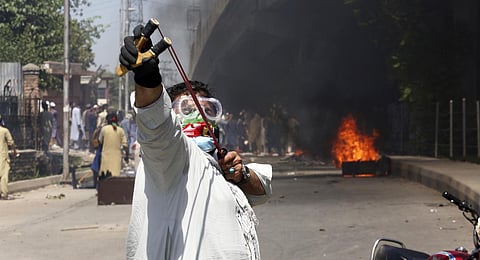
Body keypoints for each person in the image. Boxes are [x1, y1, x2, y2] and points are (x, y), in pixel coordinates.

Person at [119, 25, 272, 259]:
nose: (198, 116)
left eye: (206, 109)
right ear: (173, 115)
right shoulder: (172, 159)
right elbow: (157, 128)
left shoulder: (216, 165)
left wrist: (239, 175)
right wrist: (147, 79)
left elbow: (262, 191)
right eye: (187, 109)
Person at [98, 112, 128, 177]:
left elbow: (100, 141)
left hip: (105, 157)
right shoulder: (120, 130)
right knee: (115, 176)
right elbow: (125, 145)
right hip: (117, 158)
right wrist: (127, 156)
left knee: (105, 176)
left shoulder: (104, 129)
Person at [0, 115, 18, 200]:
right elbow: (11, 143)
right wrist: (14, 152)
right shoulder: (4, 131)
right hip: (2, 155)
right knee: (4, 174)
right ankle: (4, 194)